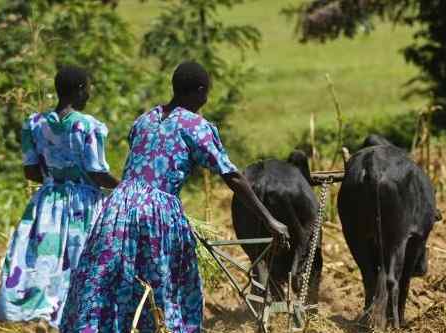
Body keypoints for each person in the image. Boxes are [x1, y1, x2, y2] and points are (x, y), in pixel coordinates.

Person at [60, 61, 290, 333]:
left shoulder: (144, 119)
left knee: (110, 278)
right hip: (156, 212)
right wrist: (269, 218)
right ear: (201, 91)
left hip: (118, 206)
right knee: (163, 285)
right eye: (207, 93)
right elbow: (232, 176)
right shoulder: (196, 126)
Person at [0, 66, 120, 329]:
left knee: (45, 260)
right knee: (80, 261)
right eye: (88, 88)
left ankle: (43, 313)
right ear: (79, 91)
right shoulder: (89, 126)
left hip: (48, 203)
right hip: (82, 207)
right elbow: (97, 172)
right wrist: (125, 187)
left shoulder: (34, 124)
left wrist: (56, 181)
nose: (89, 93)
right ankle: (76, 318)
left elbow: (30, 171)